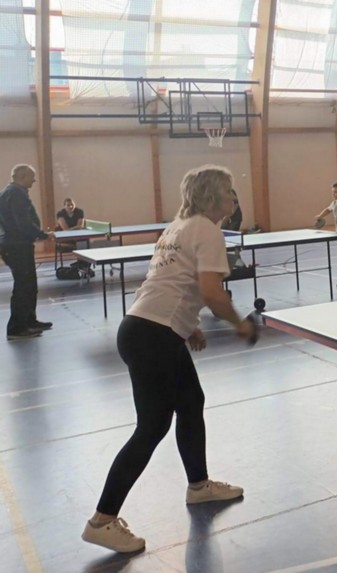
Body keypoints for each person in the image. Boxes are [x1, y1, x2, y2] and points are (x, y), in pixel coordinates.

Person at [82, 165, 257, 554]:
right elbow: (211, 293)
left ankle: (199, 486)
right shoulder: (208, 230)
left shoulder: (177, 227)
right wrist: (240, 324)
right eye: (229, 190)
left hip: (145, 327)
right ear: (212, 196)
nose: (233, 197)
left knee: (191, 401)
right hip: (153, 336)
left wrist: (188, 326)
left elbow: (170, 282)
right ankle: (102, 520)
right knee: (152, 428)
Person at [0, 164, 53, 340]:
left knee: (30, 285)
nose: (34, 180)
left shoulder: (11, 192)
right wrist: (42, 234)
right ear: (22, 176)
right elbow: (22, 222)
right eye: (32, 176)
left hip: (17, 245)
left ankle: (29, 321)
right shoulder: (15, 194)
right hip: (17, 246)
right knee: (23, 287)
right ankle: (16, 328)